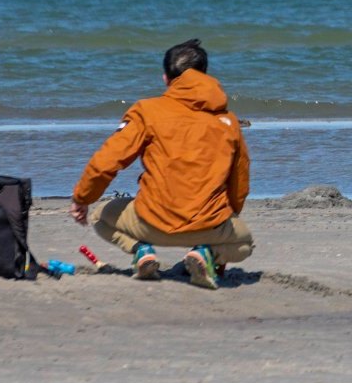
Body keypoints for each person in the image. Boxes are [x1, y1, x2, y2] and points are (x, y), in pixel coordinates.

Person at [68, 39, 253, 289]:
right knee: (244, 244)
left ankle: (141, 251)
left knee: (100, 217)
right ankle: (205, 253)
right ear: (205, 76)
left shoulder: (147, 111)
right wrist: (225, 218)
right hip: (207, 226)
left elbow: (107, 161)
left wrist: (82, 199)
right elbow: (239, 184)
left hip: (150, 222)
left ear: (166, 78)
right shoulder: (228, 121)